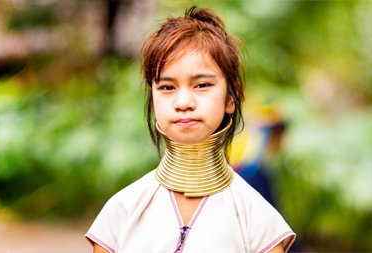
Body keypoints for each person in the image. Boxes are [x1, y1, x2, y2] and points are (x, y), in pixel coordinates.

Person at [85, 6, 295, 253]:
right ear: (152, 97)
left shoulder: (259, 224)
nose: (183, 102)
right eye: (167, 87)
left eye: (202, 84)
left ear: (231, 97)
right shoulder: (121, 212)